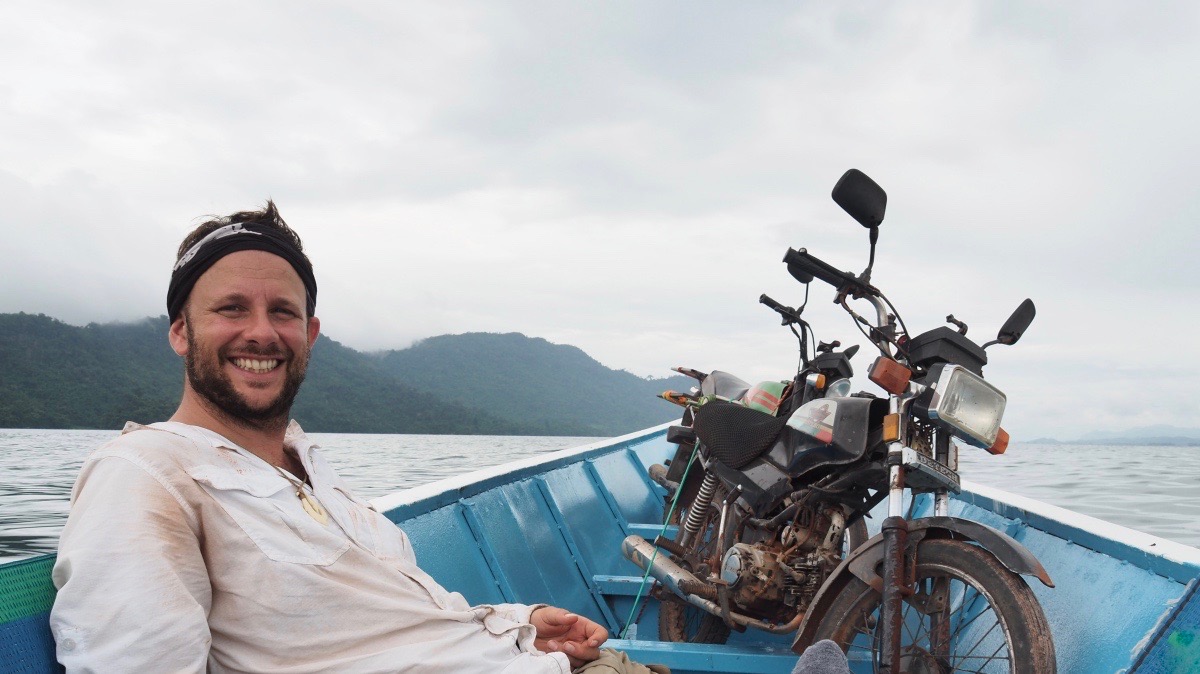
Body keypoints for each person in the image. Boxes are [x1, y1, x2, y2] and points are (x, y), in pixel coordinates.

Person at [49, 202, 664, 674]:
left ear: (310, 332)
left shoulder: (312, 475)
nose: (262, 333)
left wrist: (522, 625)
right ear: (181, 332)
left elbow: (390, 628)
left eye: (282, 312)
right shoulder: (149, 474)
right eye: (231, 309)